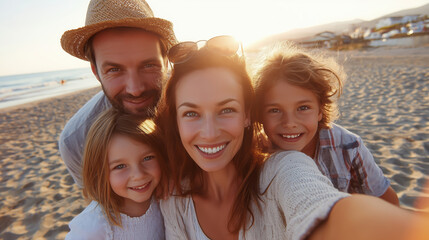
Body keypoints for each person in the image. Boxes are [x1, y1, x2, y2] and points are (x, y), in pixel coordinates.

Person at [157, 36, 429, 240]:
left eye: (226, 109)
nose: (209, 132)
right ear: (176, 121)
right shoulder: (172, 197)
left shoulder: (284, 167)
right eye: (191, 113)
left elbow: (321, 205)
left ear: (248, 115)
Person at [252, 42, 399, 205]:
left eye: (303, 108)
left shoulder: (348, 147)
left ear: (320, 109)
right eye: (274, 110)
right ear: (259, 114)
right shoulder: (253, 154)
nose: (289, 123)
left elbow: (388, 201)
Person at [59, 0, 177, 187]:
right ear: (96, 72)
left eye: (148, 65)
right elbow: (99, 207)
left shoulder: (199, 105)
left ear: (165, 61)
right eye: (114, 69)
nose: (135, 89)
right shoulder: (77, 141)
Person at [66, 108, 167, 239]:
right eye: (120, 166)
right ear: (99, 172)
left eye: (147, 158)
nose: (139, 175)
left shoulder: (165, 198)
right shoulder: (94, 227)